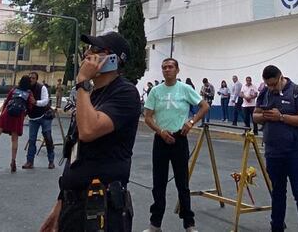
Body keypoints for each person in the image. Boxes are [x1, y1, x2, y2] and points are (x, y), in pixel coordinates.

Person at [39, 32, 141, 232]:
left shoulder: (125, 92)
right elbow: (76, 150)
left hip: (101, 209)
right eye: (87, 48)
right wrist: (60, 203)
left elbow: (88, 130)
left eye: (95, 49)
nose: (87, 54)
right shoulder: (90, 95)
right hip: (74, 205)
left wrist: (83, 81)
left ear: (113, 58)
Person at [143, 58, 209, 232]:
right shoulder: (155, 91)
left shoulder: (185, 89)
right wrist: (160, 131)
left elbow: (204, 106)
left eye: (170, 67)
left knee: (182, 184)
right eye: (164, 67)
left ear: (177, 70)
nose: (167, 70)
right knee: (159, 184)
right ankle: (155, 224)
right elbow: (148, 117)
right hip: (161, 140)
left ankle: (189, 224)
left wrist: (191, 122)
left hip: (179, 139)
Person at [256, 64, 298, 232]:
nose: (271, 88)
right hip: (273, 153)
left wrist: (281, 117)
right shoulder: (265, 93)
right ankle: (276, 226)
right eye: (268, 84)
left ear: (281, 77)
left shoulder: (296, 92)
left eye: (274, 84)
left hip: (295, 152)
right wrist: (264, 116)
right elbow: (255, 115)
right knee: (277, 192)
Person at [0, 75, 35, 172]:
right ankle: (13, 161)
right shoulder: (29, 93)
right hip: (18, 116)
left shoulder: (14, 90)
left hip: (7, 113)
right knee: (14, 139)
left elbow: (7, 101)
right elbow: (30, 106)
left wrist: (3, 113)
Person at [24, 71, 56, 170]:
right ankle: (30, 161)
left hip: (44, 115)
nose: (31, 79)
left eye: (33, 78)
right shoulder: (26, 88)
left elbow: (46, 101)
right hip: (33, 117)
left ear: (36, 79)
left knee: (48, 138)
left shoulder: (42, 88)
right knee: (32, 139)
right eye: (30, 78)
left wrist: (35, 102)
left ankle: (51, 161)